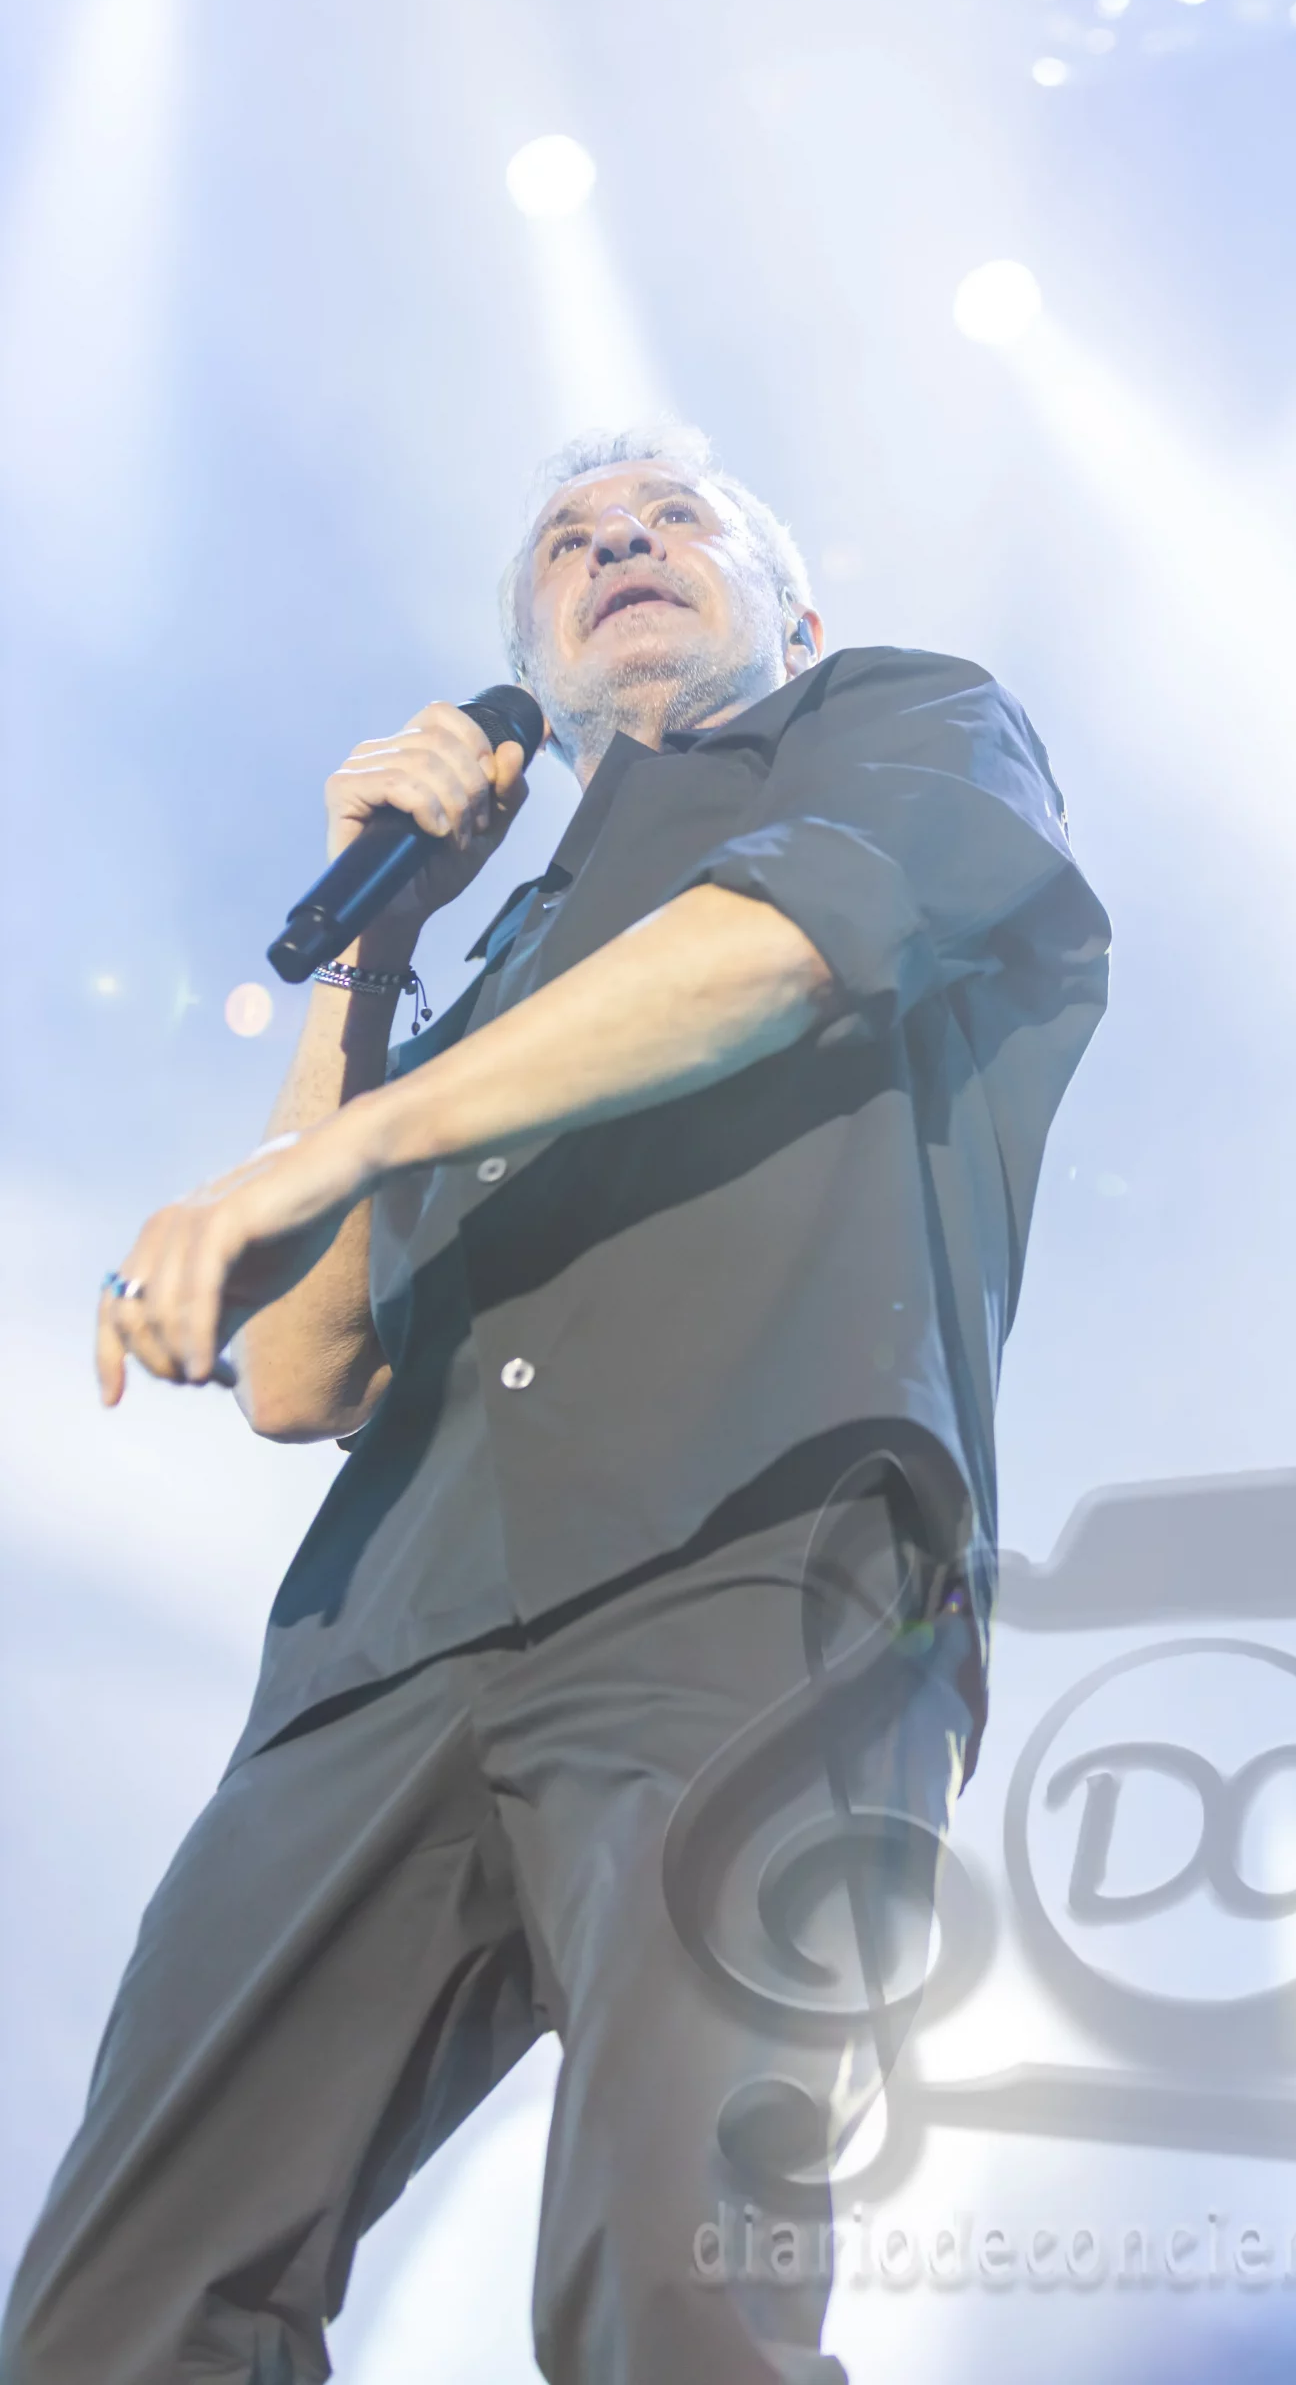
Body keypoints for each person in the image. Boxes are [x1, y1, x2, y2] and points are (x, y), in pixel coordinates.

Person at [1, 424, 1109, 2385]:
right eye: (571, 540)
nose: (620, 543)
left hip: (752, 1572)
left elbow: (783, 950)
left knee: (673, 2281)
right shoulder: (493, 967)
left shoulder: (902, 726)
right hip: (383, 1653)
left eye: (677, 518)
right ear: (529, 672)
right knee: (113, 2318)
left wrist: (343, 1150)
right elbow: (299, 1376)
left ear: (797, 618)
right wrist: (376, 951)